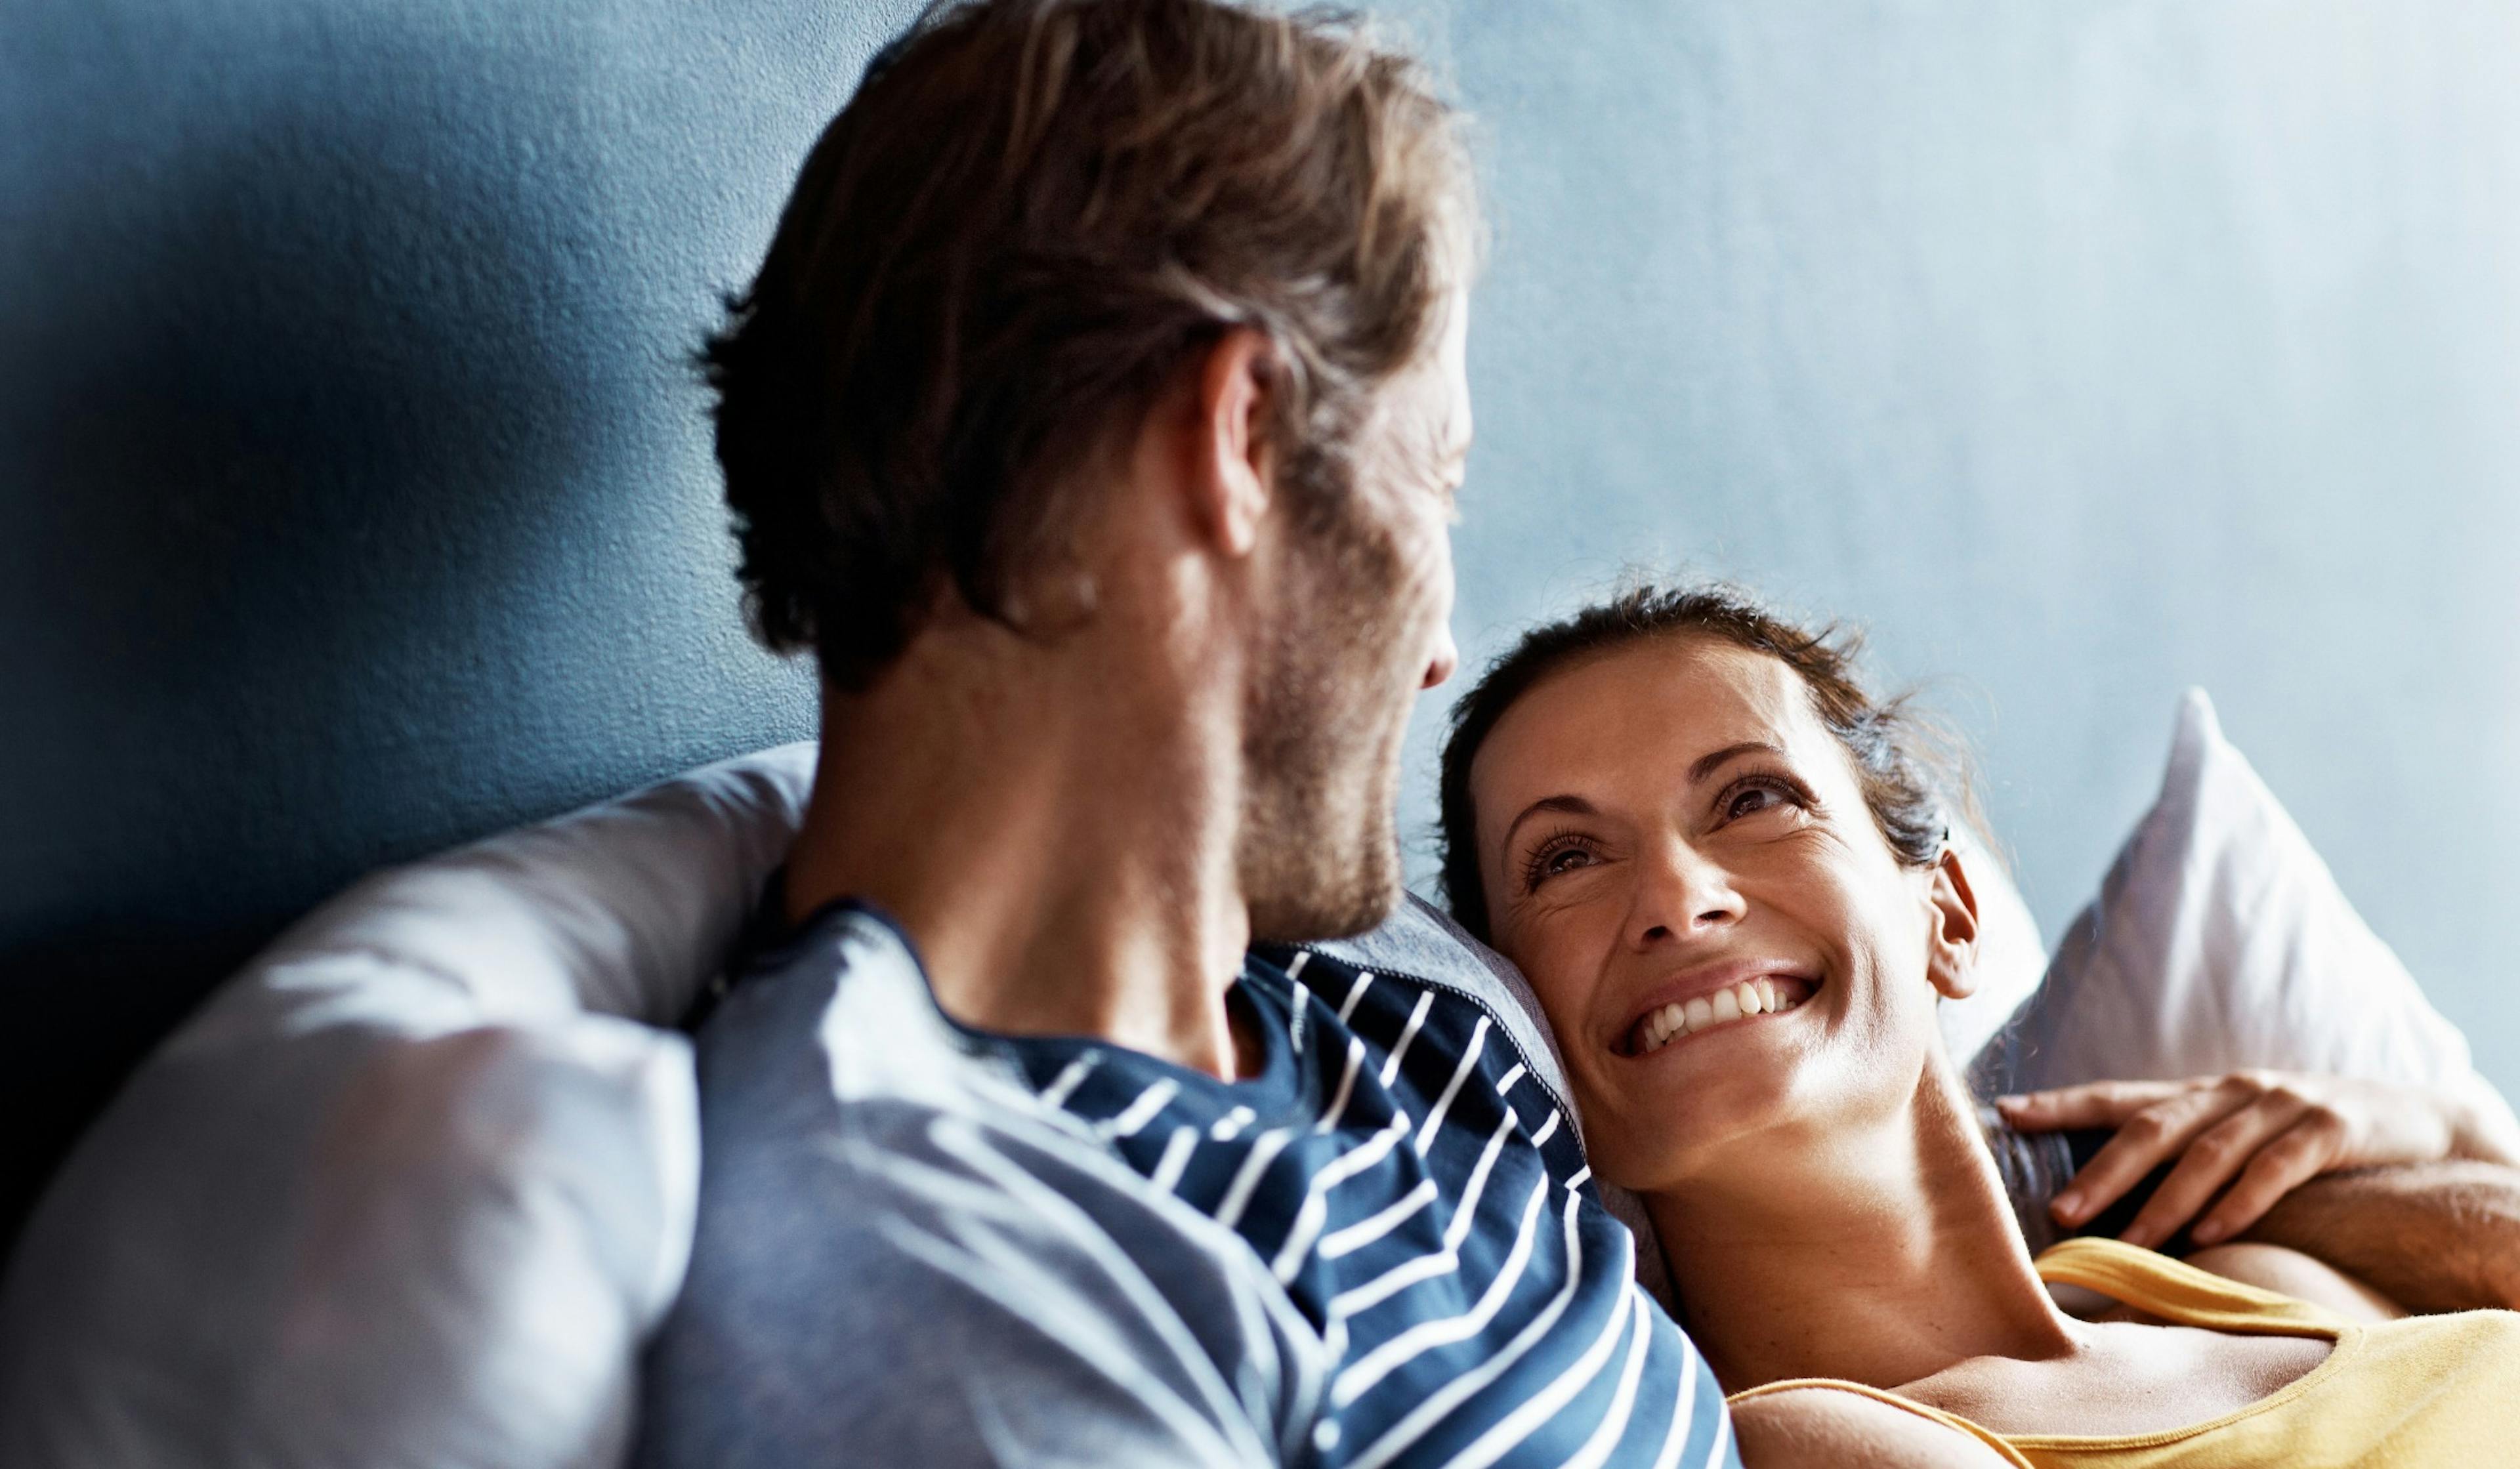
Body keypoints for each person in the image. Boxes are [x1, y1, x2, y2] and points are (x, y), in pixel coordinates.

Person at [633, 3, 1850, 1463]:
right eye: (1435, 483)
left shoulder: (1401, 1009)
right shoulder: (943, 1256)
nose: (1443, 651)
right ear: (1242, 440)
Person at [1437, 581, 2520, 1465]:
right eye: (1564, 861)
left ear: (1948, 913)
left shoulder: (2261, 1280)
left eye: (1753, 799)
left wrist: (2430, 1127)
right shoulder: (1814, 1447)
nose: (1677, 896)